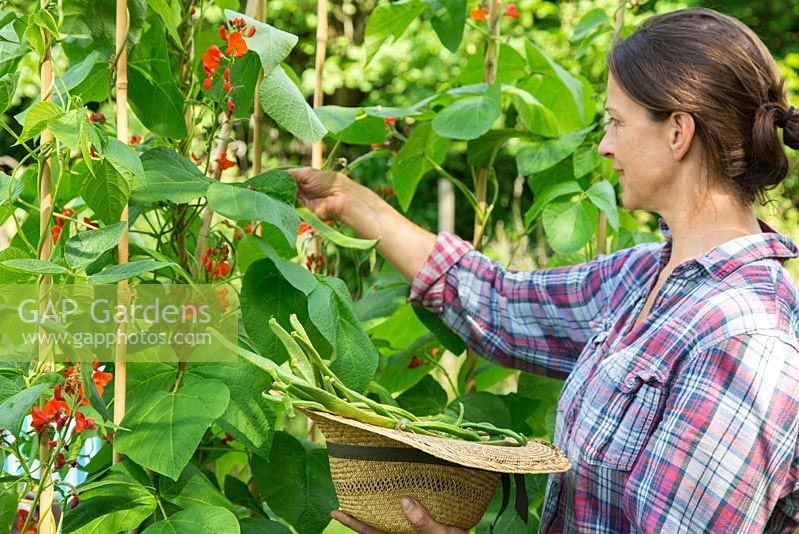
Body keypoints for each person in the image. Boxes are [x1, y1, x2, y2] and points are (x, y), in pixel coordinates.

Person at [288, 7, 799, 533]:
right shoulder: (648, 276)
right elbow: (502, 304)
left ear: (677, 133)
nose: (604, 144)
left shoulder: (743, 340)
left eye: (617, 122)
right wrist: (350, 202)